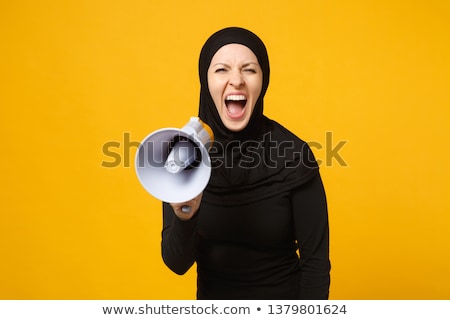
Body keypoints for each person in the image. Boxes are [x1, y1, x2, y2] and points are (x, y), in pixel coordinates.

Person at [161, 27, 330, 299]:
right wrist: (184, 215)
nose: (236, 80)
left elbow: (316, 265)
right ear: (206, 81)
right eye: (221, 70)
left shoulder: (294, 154)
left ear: (263, 80)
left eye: (249, 70)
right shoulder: (183, 154)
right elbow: (177, 264)